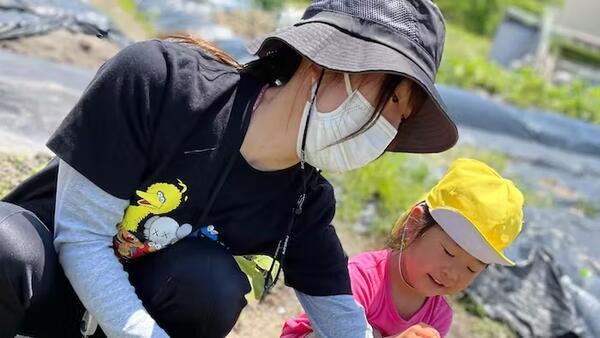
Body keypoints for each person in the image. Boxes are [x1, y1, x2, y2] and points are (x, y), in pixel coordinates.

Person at [0, 0, 458, 337]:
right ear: (329, 64)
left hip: (114, 322)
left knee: (212, 284)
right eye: (393, 98)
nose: (393, 125)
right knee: (8, 247)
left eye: (403, 113)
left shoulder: (301, 200)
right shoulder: (161, 83)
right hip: (45, 279)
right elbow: (80, 236)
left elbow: (339, 314)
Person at [281, 158, 525, 338]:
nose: (453, 273)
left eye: (471, 268)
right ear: (414, 223)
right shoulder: (362, 278)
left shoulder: (438, 316)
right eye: (449, 252)